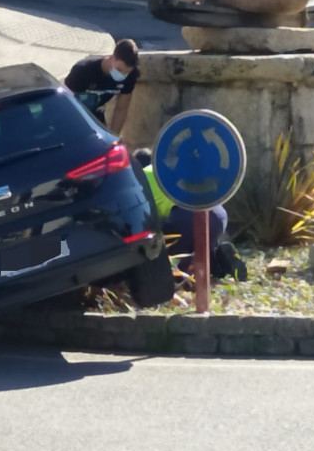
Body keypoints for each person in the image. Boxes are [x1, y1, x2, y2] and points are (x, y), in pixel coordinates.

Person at [133, 148, 246, 281]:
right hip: (218, 213)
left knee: (160, 242)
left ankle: (182, 275)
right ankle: (219, 258)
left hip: (190, 218)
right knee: (201, 247)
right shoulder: (166, 167)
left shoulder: (141, 178)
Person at [64, 38, 140, 135]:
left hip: (96, 115)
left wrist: (114, 137)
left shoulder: (130, 75)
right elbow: (65, 102)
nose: (123, 75)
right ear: (112, 57)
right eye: (119, 70)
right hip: (74, 115)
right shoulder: (83, 70)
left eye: (127, 72)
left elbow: (121, 109)